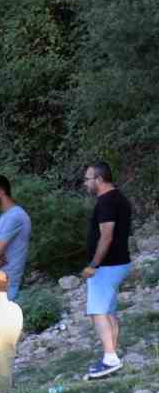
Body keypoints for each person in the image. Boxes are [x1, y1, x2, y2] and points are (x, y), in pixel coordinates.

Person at [81, 161, 135, 380]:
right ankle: (111, 354)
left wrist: (93, 265)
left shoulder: (106, 202)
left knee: (98, 312)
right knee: (108, 310)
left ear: (99, 179)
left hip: (107, 266)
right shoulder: (119, 198)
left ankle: (110, 358)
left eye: (87, 179)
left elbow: (107, 236)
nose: (85, 183)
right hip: (120, 262)